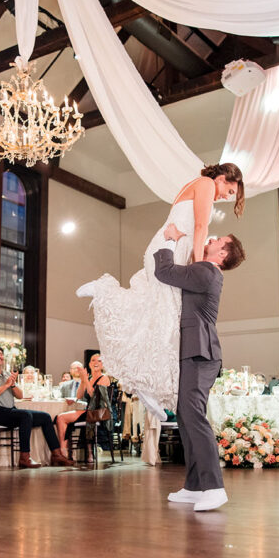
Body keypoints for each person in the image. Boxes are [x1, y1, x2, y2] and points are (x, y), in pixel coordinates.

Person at [76, 163, 245, 420]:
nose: (225, 196)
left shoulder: (199, 185)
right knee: (164, 321)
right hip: (171, 249)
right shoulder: (206, 185)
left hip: (173, 246)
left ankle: (143, 386)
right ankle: (104, 291)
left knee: (153, 318)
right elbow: (200, 227)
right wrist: (198, 264)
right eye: (229, 189)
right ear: (221, 179)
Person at [154, 223, 247, 512]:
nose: (213, 238)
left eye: (219, 240)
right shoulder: (204, 270)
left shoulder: (206, 271)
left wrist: (168, 242)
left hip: (200, 351)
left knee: (193, 415)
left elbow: (165, 272)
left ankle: (214, 486)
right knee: (186, 415)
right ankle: (195, 486)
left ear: (222, 253)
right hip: (194, 350)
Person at [0, 346, 74, 468]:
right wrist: (6, 385)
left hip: (9, 411)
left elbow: (20, 395)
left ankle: (57, 455)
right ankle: (24, 457)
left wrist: (12, 385)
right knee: (25, 415)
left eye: (1, 354)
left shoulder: (7, 374)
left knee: (45, 417)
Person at [55, 354, 108, 460]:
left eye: (99, 361)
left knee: (61, 418)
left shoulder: (104, 378)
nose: (96, 362)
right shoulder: (89, 378)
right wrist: (84, 380)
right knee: (61, 417)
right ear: (89, 364)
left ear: (102, 365)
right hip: (89, 411)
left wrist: (85, 380)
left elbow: (94, 396)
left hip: (100, 412)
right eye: (93, 360)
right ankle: (64, 451)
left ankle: (63, 452)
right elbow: (79, 396)